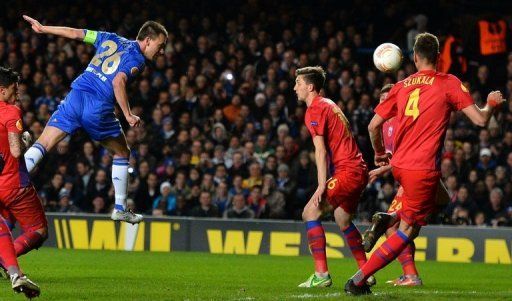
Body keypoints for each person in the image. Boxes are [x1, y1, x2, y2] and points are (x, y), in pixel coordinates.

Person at [345, 32, 504, 295]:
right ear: (439, 57)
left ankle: (391, 217)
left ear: (415, 57)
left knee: (441, 200)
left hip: (400, 167)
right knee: (407, 231)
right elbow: (480, 121)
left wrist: (379, 153)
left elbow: (373, 125)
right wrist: (491, 104)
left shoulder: (401, 85)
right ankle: (358, 280)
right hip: (422, 170)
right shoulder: (448, 82)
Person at [22, 15, 168, 224]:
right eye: (160, 45)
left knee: (43, 143)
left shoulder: (109, 37)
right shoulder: (138, 59)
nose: (162, 51)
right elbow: (119, 81)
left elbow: (75, 33)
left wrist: (44, 29)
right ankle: (119, 208)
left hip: (75, 96)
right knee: (122, 152)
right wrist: (127, 114)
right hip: (97, 107)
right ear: (148, 40)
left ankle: (9, 182)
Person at [362, 84, 451, 286]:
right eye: (381, 100)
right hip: (417, 175)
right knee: (403, 229)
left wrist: (381, 168)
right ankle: (410, 274)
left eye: (388, 99)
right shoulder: (388, 126)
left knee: (397, 230)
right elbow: (396, 156)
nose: (385, 103)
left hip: (416, 175)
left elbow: (402, 157)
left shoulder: (402, 122)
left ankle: (410, 273)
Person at [293, 66, 372, 288]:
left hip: (347, 171)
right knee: (342, 218)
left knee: (310, 212)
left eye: (298, 83)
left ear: (310, 87)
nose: (294, 88)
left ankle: (321, 275)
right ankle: (366, 270)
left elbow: (320, 150)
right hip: (357, 169)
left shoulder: (315, 108)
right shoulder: (330, 104)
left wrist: (321, 185)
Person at [0, 67, 43, 298]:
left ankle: (13, 271)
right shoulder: (10, 112)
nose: (17, 95)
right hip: (15, 184)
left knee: (3, 224)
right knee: (39, 230)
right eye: (14, 90)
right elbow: (16, 152)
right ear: (2, 90)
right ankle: (11, 268)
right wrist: (26, 140)